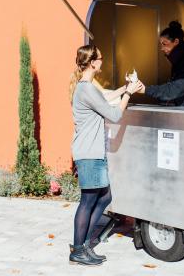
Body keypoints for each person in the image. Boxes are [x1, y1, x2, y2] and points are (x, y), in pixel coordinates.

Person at [68, 44, 143, 266]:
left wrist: (125, 88)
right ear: (92, 62)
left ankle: (83, 244)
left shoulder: (87, 88)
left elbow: (105, 97)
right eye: (100, 58)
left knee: (104, 197)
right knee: (88, 201)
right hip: (89, 154)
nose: (102, 61)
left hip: (93, 152)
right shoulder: (86, 89)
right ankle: (78, 250)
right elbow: (114, 114)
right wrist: (129, 93)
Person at [139, 21, 184, 107]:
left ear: (176, 41)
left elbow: (173, 91)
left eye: (164, 44)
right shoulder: (180, 61)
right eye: (161, 45)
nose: (162, 48)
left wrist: (145, 90)